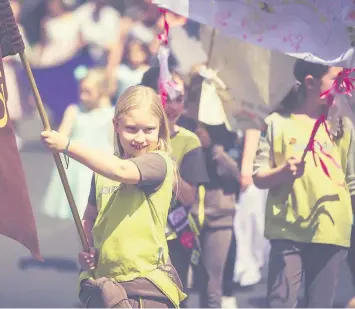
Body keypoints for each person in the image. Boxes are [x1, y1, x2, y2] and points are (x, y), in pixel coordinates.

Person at [41, 85, 186, 308]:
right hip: (106, 283)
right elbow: (90, 217)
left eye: (149, 129)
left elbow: (121, 171)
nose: (140, 138)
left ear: (160, 128)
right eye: (131, 128)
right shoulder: (102, 171)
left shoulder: (158, 163)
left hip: (145, 285)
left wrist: (68, 146)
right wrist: (88, 249)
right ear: (116, 125)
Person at [253, 59, 355, 308]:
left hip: (331, 230)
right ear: (310, 82)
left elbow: (352, 182)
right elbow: (258, 176)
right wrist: (283, 172)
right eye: (335, 79)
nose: (342, 86)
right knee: (280, 302)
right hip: (287, 229)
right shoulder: (277, 122)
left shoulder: (343, 125)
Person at [141, 67, 209, 307]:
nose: (172, 106)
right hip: (136, 237)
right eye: (165, 97)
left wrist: (163, 161)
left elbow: (189, 196)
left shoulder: (189, 141)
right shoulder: (133, 137)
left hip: (173, 238)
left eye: (179, 99)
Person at [41, 68, 114, 220]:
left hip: (99, 165)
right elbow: (62, 135)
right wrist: (51, 138)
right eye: (81, 91)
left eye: (88, 92)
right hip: (77, 167)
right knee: (82, 213)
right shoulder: (74, 110)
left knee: (101, 212)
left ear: (101, 91)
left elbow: (114, 143)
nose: (83, 96)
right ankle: (86, 242)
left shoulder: (110, 114)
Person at [195, 122, 239, 308]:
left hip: (220, 218)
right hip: (194, 217)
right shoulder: (192, 146)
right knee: (199, 282)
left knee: (214, 280)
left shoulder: (225, 146)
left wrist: (216, 151)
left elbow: (238, 175)